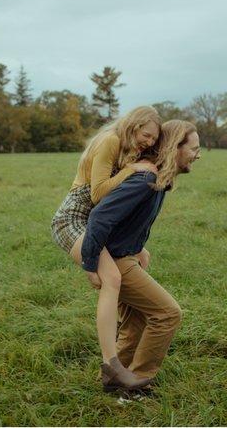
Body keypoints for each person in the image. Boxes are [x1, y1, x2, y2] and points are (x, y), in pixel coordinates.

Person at [81, 119, 200, 395]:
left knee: (136, 320)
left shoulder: (159, 179)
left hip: (127, 257)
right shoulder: (145, 180)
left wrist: (138, 248)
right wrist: (91, 265)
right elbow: (99, 218)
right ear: (175, 147)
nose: (198, 154)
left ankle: (115, 381)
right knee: (167, 313)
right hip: (116, 261)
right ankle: (137, 384)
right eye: (194, 148)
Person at [50, 106, 161, 392]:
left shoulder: (130, 148)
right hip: (72, 218)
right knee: (112, 277)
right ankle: (111, 366)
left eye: (153, 139)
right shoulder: (112, 140)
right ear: (132, 126)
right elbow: (98, 192)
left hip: (94, 222)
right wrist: (131, 170)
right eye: (145, 134)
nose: (148, 142)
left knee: (142, 256)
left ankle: (125, 330)